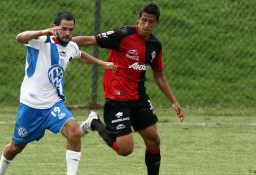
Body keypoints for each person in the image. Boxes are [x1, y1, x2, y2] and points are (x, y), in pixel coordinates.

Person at [0, 11, 116, 175]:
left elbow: (80, 54)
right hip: (31, 105)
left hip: (53, 104)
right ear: (55, 27)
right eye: (64, 29)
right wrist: (43, 32)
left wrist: (101, 63)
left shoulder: (71, 46)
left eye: (71, 30)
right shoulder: (41, 40)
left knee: (73, 133)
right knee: (15, 147)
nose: (68, 33)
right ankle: (0, 169)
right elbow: (20, 37)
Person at [73, 2, 184, 175]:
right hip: (117, 99)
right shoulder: (122, 34)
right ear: (138, 19)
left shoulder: (155, 45)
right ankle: (94, 123)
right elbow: (91, 40)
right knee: (125, 150)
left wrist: (174, 102)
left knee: (153, 140)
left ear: (156, 23)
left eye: (151, 21)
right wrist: (62, 40)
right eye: (144, 20)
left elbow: (159, 75)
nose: (147, 25)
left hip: (139, 98)